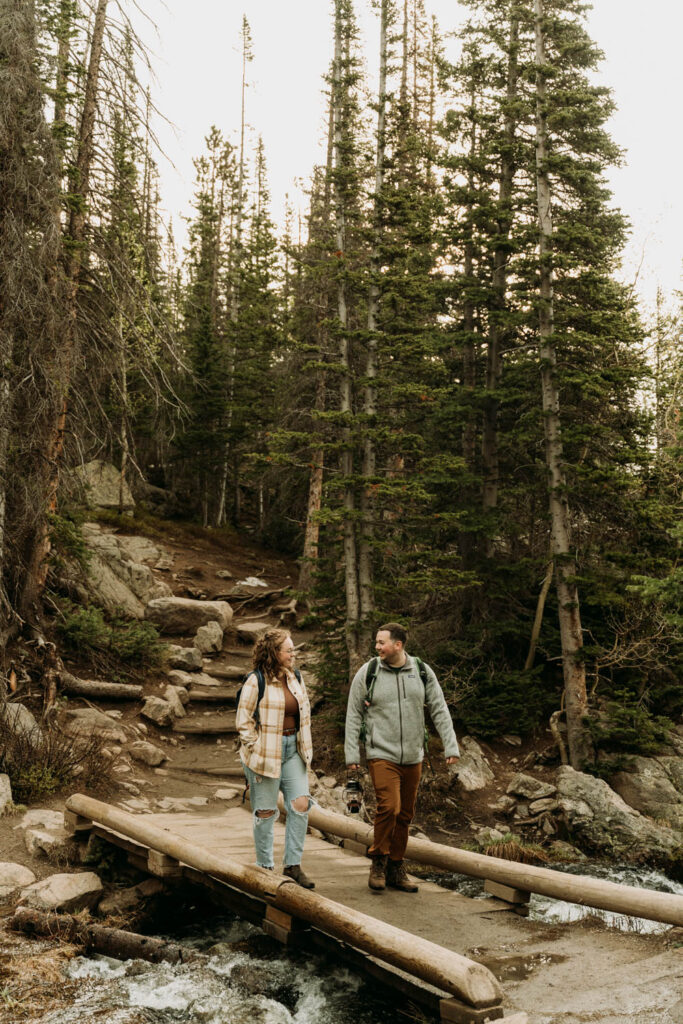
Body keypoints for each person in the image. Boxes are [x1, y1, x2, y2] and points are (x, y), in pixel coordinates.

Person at [345, 622, 459, 893]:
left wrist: (451, 746)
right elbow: (353, 714)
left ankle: (397, 866)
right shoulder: (369, 672)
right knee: (390, 807)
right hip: (381, 753)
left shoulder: (420, 671)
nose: (377, 647)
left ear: (398, 645)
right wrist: (352, 753)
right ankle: (378, 861)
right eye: (376, 642)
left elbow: (439, 709)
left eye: (381, 642)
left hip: (413, 755)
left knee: (405, 814)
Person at [236, 628, 315, 888]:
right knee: (266, 812)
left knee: (300, 804)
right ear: (274, 653)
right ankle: (265, 867)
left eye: (293, 649)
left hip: (294, 749)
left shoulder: (296, 677)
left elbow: (304, 713)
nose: (293, 654)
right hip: (266, 752)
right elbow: (243, 721)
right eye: (289, 650)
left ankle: (292, 866)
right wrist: (255, 746)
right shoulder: (255, 680)